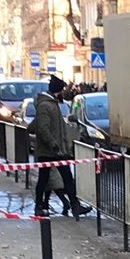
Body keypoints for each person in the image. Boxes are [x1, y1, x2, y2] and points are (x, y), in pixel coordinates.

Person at [30, 75, 90, 217]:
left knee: (66, 178)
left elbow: (56, 129)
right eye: (62, 90)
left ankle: (74, 205)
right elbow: (43, 129)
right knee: (44, 180)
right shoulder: (45, 106)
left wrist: (63, 147)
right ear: (58, 91)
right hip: (49, 151)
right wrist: (54, 146)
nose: (63, 93)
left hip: (56, 151)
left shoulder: (52, 104)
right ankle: (39, 206)